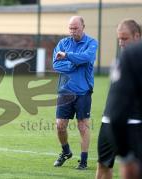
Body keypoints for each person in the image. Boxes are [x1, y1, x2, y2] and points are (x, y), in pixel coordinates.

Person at [96, 19, 141, 179]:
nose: (121, 43)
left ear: (137, 36)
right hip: (109, 121)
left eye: (125, 38)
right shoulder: (124, 58)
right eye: (119, 39)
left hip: (134, 124)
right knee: (103, 164)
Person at [52, 16, 98, 169]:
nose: (72, 31)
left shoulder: (92, 43)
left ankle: (83, 161)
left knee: (82, 126)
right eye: (70, 28)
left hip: (83, 91)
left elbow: (87, 57)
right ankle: (66, 152)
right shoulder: (62, 43)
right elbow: (56, 64)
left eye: (75, 28)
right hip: (65, 91)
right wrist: (74, 64)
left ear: (83, 27)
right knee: (59, 125)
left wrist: (67, 56)